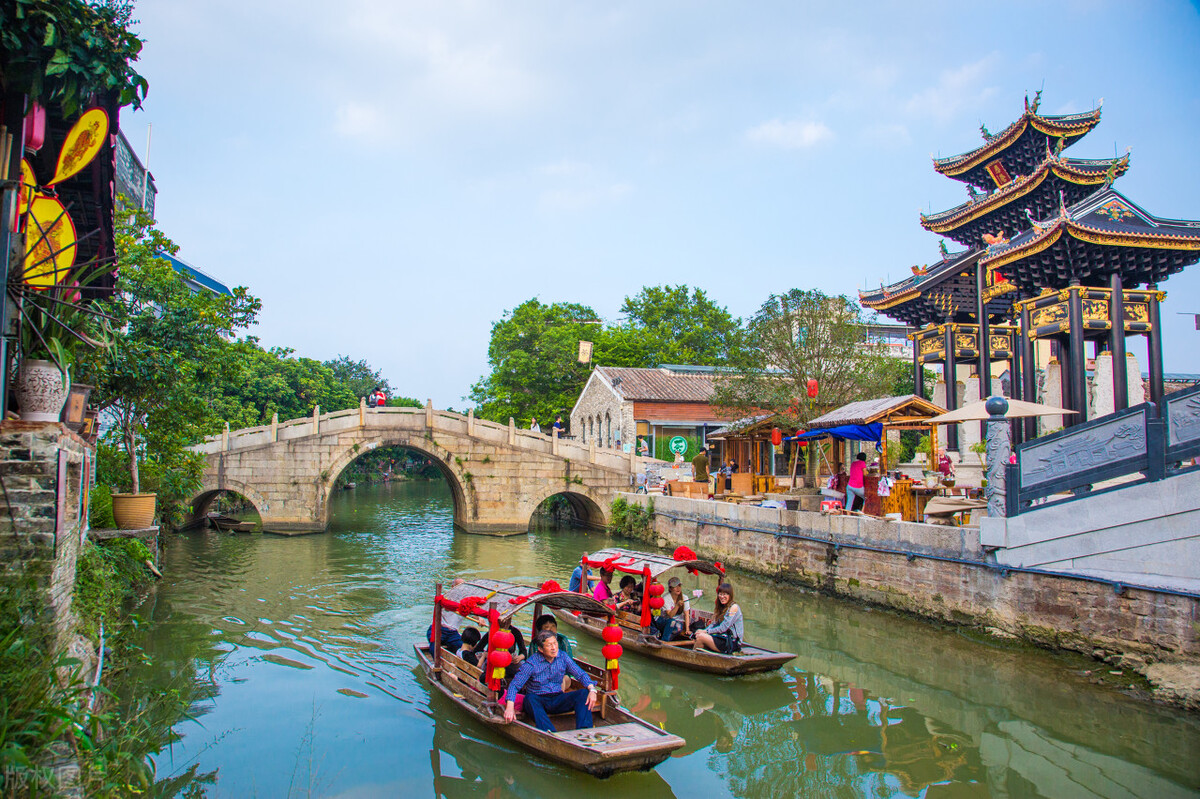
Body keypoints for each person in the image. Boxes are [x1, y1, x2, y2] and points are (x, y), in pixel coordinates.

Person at [504, 631, 597, 733]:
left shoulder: (563, 657)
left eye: (555, 643)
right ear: (540, 649)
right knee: (529, 699)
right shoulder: (531, 664)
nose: (554, 648)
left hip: (557, 698)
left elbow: (580, 674)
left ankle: (584, 731)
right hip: (538, 699)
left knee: (584, 694)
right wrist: (509, 707)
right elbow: (514, 685)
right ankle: (550, 733)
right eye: (549, 645)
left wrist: (592, 689)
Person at [694, 583, 743, 654]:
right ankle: (698, 659)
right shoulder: (721, 607)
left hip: (732, 643)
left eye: (725, 594)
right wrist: (703, 630)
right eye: (720, 594)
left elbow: (723, 628)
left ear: (730, 595)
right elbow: (714, 624)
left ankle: (693, 657)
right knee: (699, 635)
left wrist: (706, 632)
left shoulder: (734, 607)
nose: (722, 596)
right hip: (722, 637)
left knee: (701, 637)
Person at [652, 577, 691, 642]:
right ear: (670, 588)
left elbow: (687, 614)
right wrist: (677, 606)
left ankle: (665, 640)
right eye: (675, 586)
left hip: (677, 622)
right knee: (672, 622)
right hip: (664, 620)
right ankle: (664, 641)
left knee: (678, 628)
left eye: (679, 586)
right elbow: (670, 615)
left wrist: (687, 629)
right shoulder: (666, 598)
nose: (678, 588)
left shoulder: (684, 597)